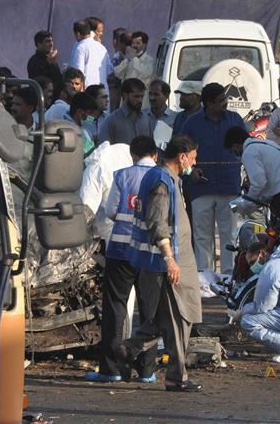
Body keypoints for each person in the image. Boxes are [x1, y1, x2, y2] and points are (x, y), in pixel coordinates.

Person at [120, 135, 203, 392]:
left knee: (165, 320)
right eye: (193, 158)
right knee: (179, 319)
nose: (194, 163)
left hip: (176, 261)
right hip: (165, 263)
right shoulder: (161, 182)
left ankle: (129, 349)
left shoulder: (169, 179)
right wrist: (169, 260)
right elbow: (158, 223)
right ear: (182, 157)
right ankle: (177, 377)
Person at [86, 136, 162, 383]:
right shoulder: (165, 178)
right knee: (150, 310)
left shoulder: (121, 176)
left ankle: (111, 369)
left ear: (133, 155)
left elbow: (110, 210)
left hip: (121, 249)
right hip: (151, 252)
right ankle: (147, 370)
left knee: (116, 307)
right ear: (155, 155)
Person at [178, 83, 245, 273]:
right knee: (202, 236)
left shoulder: (235, 119)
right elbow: (180, 153)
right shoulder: (192, 123)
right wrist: (190, 172)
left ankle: (227, 278)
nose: (225, 103)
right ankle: (205, 279)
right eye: (220, 100)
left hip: (229, 187)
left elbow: (245, 148)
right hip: (201, 188)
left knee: (229, 236)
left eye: (225, 98)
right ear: (208, 103)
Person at [224, 127, 280, 221]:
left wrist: (247, 203)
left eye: (232, 149)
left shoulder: (249, 152)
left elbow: (259, 183)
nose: (234, 152)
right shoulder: (267, 144)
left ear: (235, 145)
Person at [98, 78, 151, 145]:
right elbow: (103, 147)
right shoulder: (112, 121)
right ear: (125, 95)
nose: (140, 100)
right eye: (136, 96)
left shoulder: (146, 119)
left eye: (142, 96)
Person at [71, 17, 113, 93]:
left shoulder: (81, 46)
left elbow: (77, 73)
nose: (101, 33)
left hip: (87, 91)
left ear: (78, 34)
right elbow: (109, 71)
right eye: (99, 31)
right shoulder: (102, 47)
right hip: (102, 92)